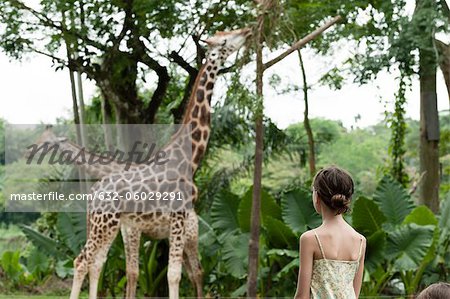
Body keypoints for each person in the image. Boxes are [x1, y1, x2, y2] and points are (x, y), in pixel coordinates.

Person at [294, 166, 366, 299]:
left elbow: (302, 295)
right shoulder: (360, 240)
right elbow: (354, 295)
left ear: (317, 196)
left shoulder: (310, 239)